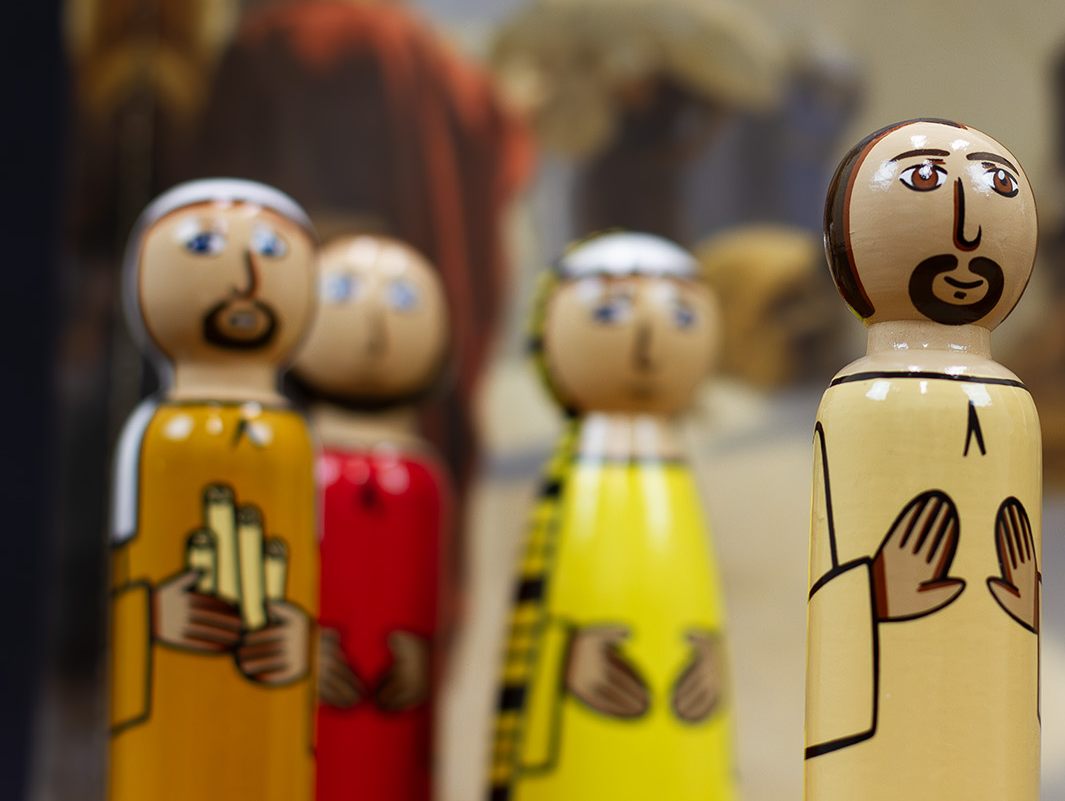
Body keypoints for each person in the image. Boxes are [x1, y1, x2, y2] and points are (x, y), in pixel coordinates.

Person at [807, 119, 1042, 801]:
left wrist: (1023, 604)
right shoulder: (859, 401)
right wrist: (875, 592)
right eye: (923, 178)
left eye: (996, 187)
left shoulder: (1008, 405)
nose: (967, 231)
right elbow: (831, 591)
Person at [488, 233, 734, 801]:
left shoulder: (667, 485)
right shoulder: (578, 483)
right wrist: (566, 657)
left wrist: (706, 657)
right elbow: (544, 614)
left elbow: (694, 603)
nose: (648, 341)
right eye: (608, 312)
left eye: (680, 315)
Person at [109, 179, 319, 801]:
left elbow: (314, 576)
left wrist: (299, 642)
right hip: (166, 746)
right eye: (203, 245)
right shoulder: (157, 434)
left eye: (271, 250)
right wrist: (153, 616)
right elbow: (123, 576)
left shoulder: (292, 442)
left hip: (270, 747)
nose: (247, 275)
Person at [293, 236, 452, 801]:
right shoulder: (297, 466)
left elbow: (438, 591)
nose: (375, 316)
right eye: (342, 291)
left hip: (400, 714)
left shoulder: (423, 479)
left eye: (403, 299)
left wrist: (425, 655)